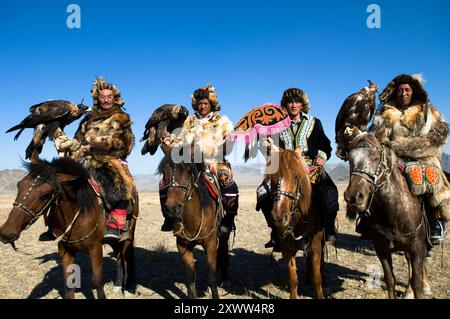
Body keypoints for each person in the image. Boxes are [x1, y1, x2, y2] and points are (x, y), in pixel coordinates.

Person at [40, 77, 136, 243]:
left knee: (117, 184)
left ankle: (114, 225)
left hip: (108, 159)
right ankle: (54, 225)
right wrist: (69, 144)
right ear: (97, 98)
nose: (106, 99)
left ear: (114, 98)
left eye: (109, 96)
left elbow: (124, 144)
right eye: (103, 96)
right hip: (82, 159)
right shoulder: (87, 118)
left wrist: (94, 147)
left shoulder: (121, 118)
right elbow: (79, 139)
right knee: (57, 180)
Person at [369, 74, 450, 245]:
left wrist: (402, 146)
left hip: (423, 157)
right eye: (400, 91)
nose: (403, 94)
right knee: (371, 179)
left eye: (407, 90)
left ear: (414, 92)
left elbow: (437, 138)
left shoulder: (428, 112)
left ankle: (436, 221)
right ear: (394, 93)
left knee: (429, 176)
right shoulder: (384, 114)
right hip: (391, 158)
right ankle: (369, 221)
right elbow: (375, 138)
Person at [257, 88, 339, 249]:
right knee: (262, 193)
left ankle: (329, 228)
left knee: (330, 193)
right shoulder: (275, 125)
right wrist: (267, 146)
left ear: (302, 104)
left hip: (309, 166)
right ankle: (276, 231)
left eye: (297, 101)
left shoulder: (314, 122)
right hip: (284, 168)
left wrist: (322, 156)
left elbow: (325, 144)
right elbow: (265, 146)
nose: (293, 105)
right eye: (290, 102)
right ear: (285, 105)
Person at [160, 84, 239, 235]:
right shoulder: (189, 121)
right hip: (189, 162)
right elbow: (179, 139)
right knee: (165, 182)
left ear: (211, 104)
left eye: (205, 103)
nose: (202, 106)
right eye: (200, 103)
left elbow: (229, 139)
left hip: (214, 161)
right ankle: (169, 217)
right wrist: (169, 142)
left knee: (228, 182)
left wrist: (225, 145)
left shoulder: (222, 120)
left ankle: (229, 219)